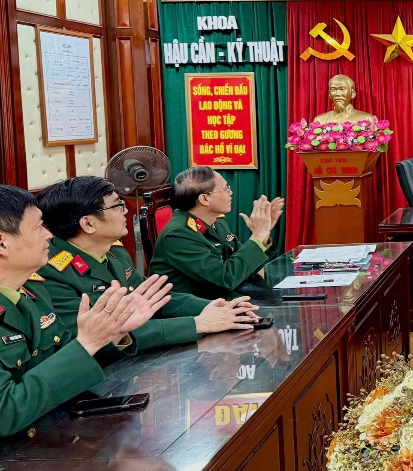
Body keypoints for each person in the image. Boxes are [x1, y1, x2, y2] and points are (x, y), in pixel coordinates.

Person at [0, 185, 171, 436]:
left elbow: (66, 362)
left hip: (54, 430)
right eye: (37, 227)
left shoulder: (32, 289)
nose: (48, 235)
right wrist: (87, 343)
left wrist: (112, 333)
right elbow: (6, 413)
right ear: (2, 244)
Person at [36, 177, 258, 354]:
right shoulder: (51, 273)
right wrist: (198, 323)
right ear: (88, 224)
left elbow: (151, 297)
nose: (125, 211)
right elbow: (104, 335)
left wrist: (215, 308)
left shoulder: (114, 251)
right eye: (117, 206)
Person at [149, 167, 284, 300]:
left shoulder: (216, 222)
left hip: (224, 297)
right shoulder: (178, 235)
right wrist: (257, 236)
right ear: (205, 199)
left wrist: (263, 234)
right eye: (225, 189)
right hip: (200, 306)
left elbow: (243, 267)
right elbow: (225, 279)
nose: (231, 192)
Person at [314, 74, 378, 126]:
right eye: (333, 89)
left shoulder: (368, 119)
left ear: (352, 93)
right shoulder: (319, 121)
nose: (337, 94)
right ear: (329, 95)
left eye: (342, 89)